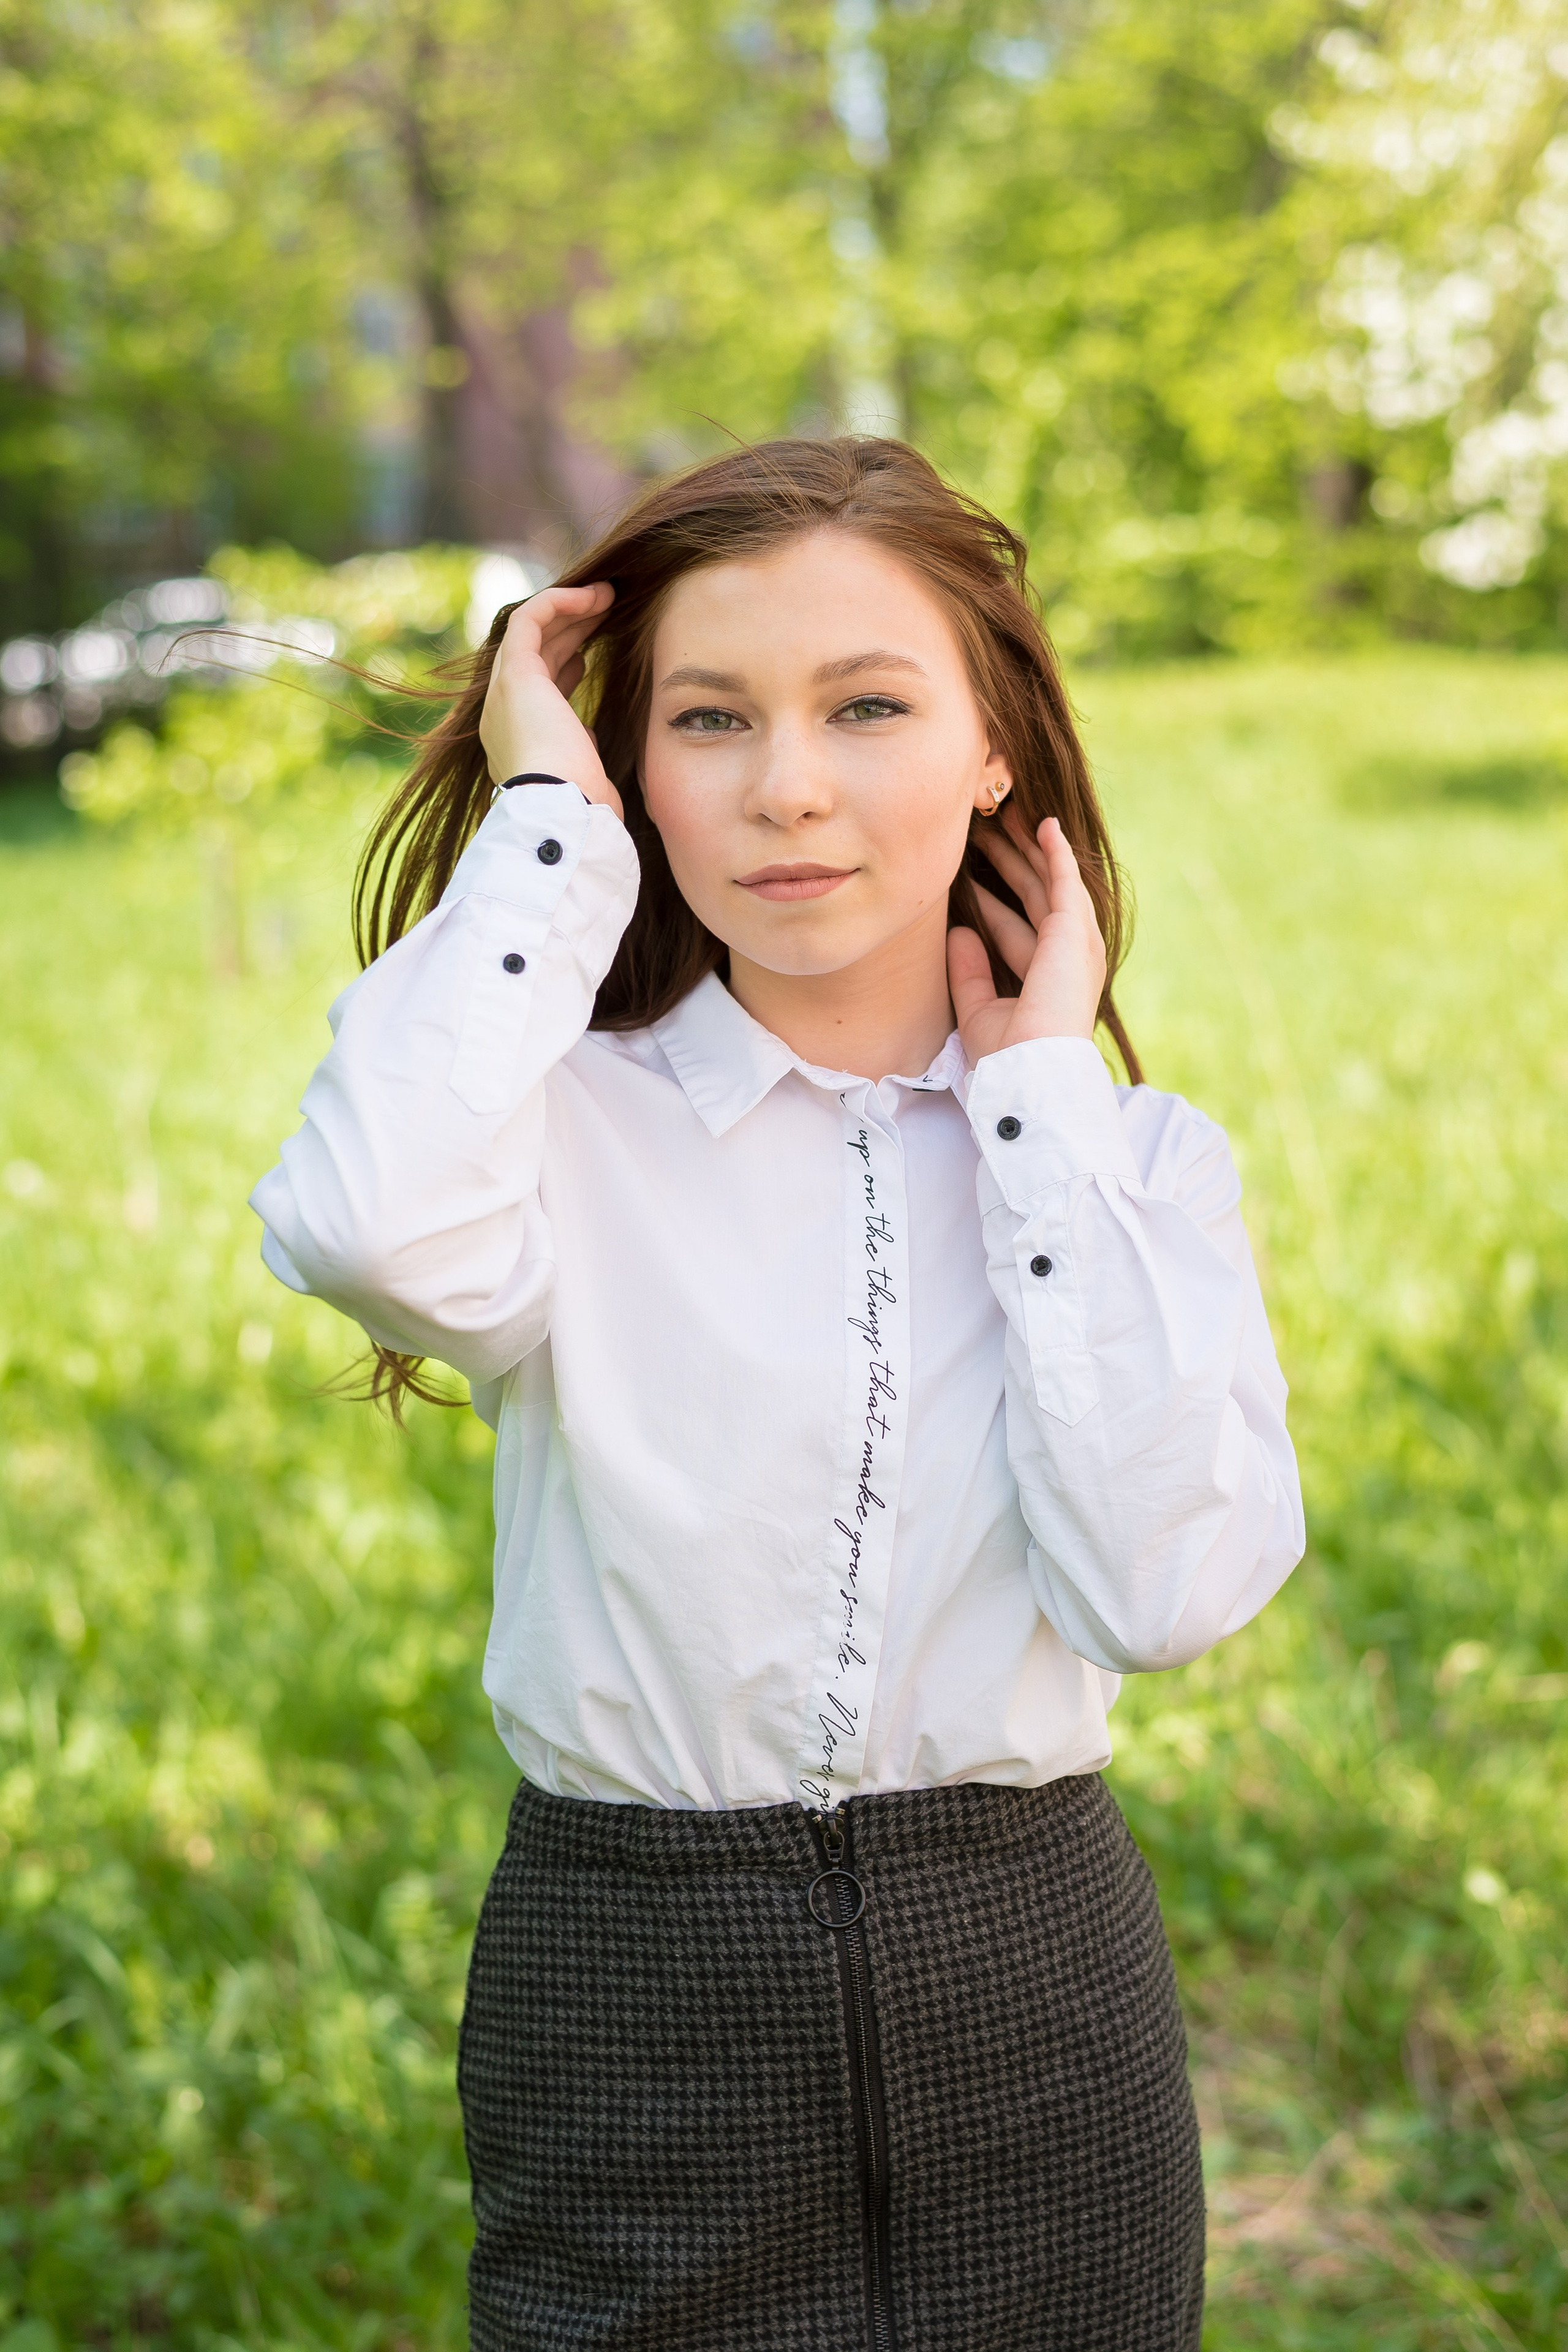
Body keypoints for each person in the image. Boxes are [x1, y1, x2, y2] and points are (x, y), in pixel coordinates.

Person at [251, 435, 1304, 2352]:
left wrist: (1041, 1106)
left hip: (1037, 1982)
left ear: (997, 750)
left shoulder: (1125, 1169)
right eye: (709, 719)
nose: (789, 788)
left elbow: (1166, 1591)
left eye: (871, 705)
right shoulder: (556, 1123)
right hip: (635, 1976)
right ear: (633, 761)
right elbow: (360, 1228)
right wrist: (545, 827)